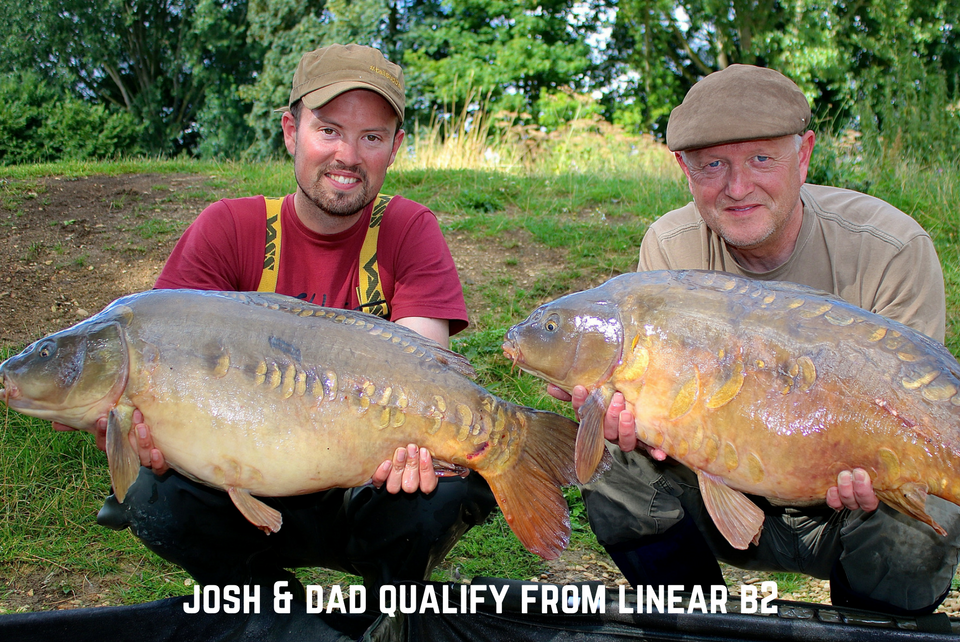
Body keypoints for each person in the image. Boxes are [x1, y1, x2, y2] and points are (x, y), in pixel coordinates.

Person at [54, 43, 497, 600]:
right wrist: (144, 435)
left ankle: (390, 605)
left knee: (448, 486)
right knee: (150, 493)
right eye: (329, 130)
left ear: (395, 147)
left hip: (368, 489)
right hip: (240, 485)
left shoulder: (409, 229)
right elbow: (161, 353)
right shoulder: (228, 228)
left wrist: (422, 445)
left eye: (372, 138)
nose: (348, 156)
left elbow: (425, 366)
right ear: (291, 131)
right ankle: (270, 611)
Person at [553, 64, 959, 615]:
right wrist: (629, 422)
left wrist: (885, 471)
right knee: (613, 465)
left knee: (930, 516)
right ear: (683, 168)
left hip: (854, 511)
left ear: (805, 153)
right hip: (725, 496)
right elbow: (662, 419)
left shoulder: (892, 249)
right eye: (713, 165)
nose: (737, 187)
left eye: (761, 159)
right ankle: (700, 626)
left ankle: (868, 626)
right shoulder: (667, 257)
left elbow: (919, 412)